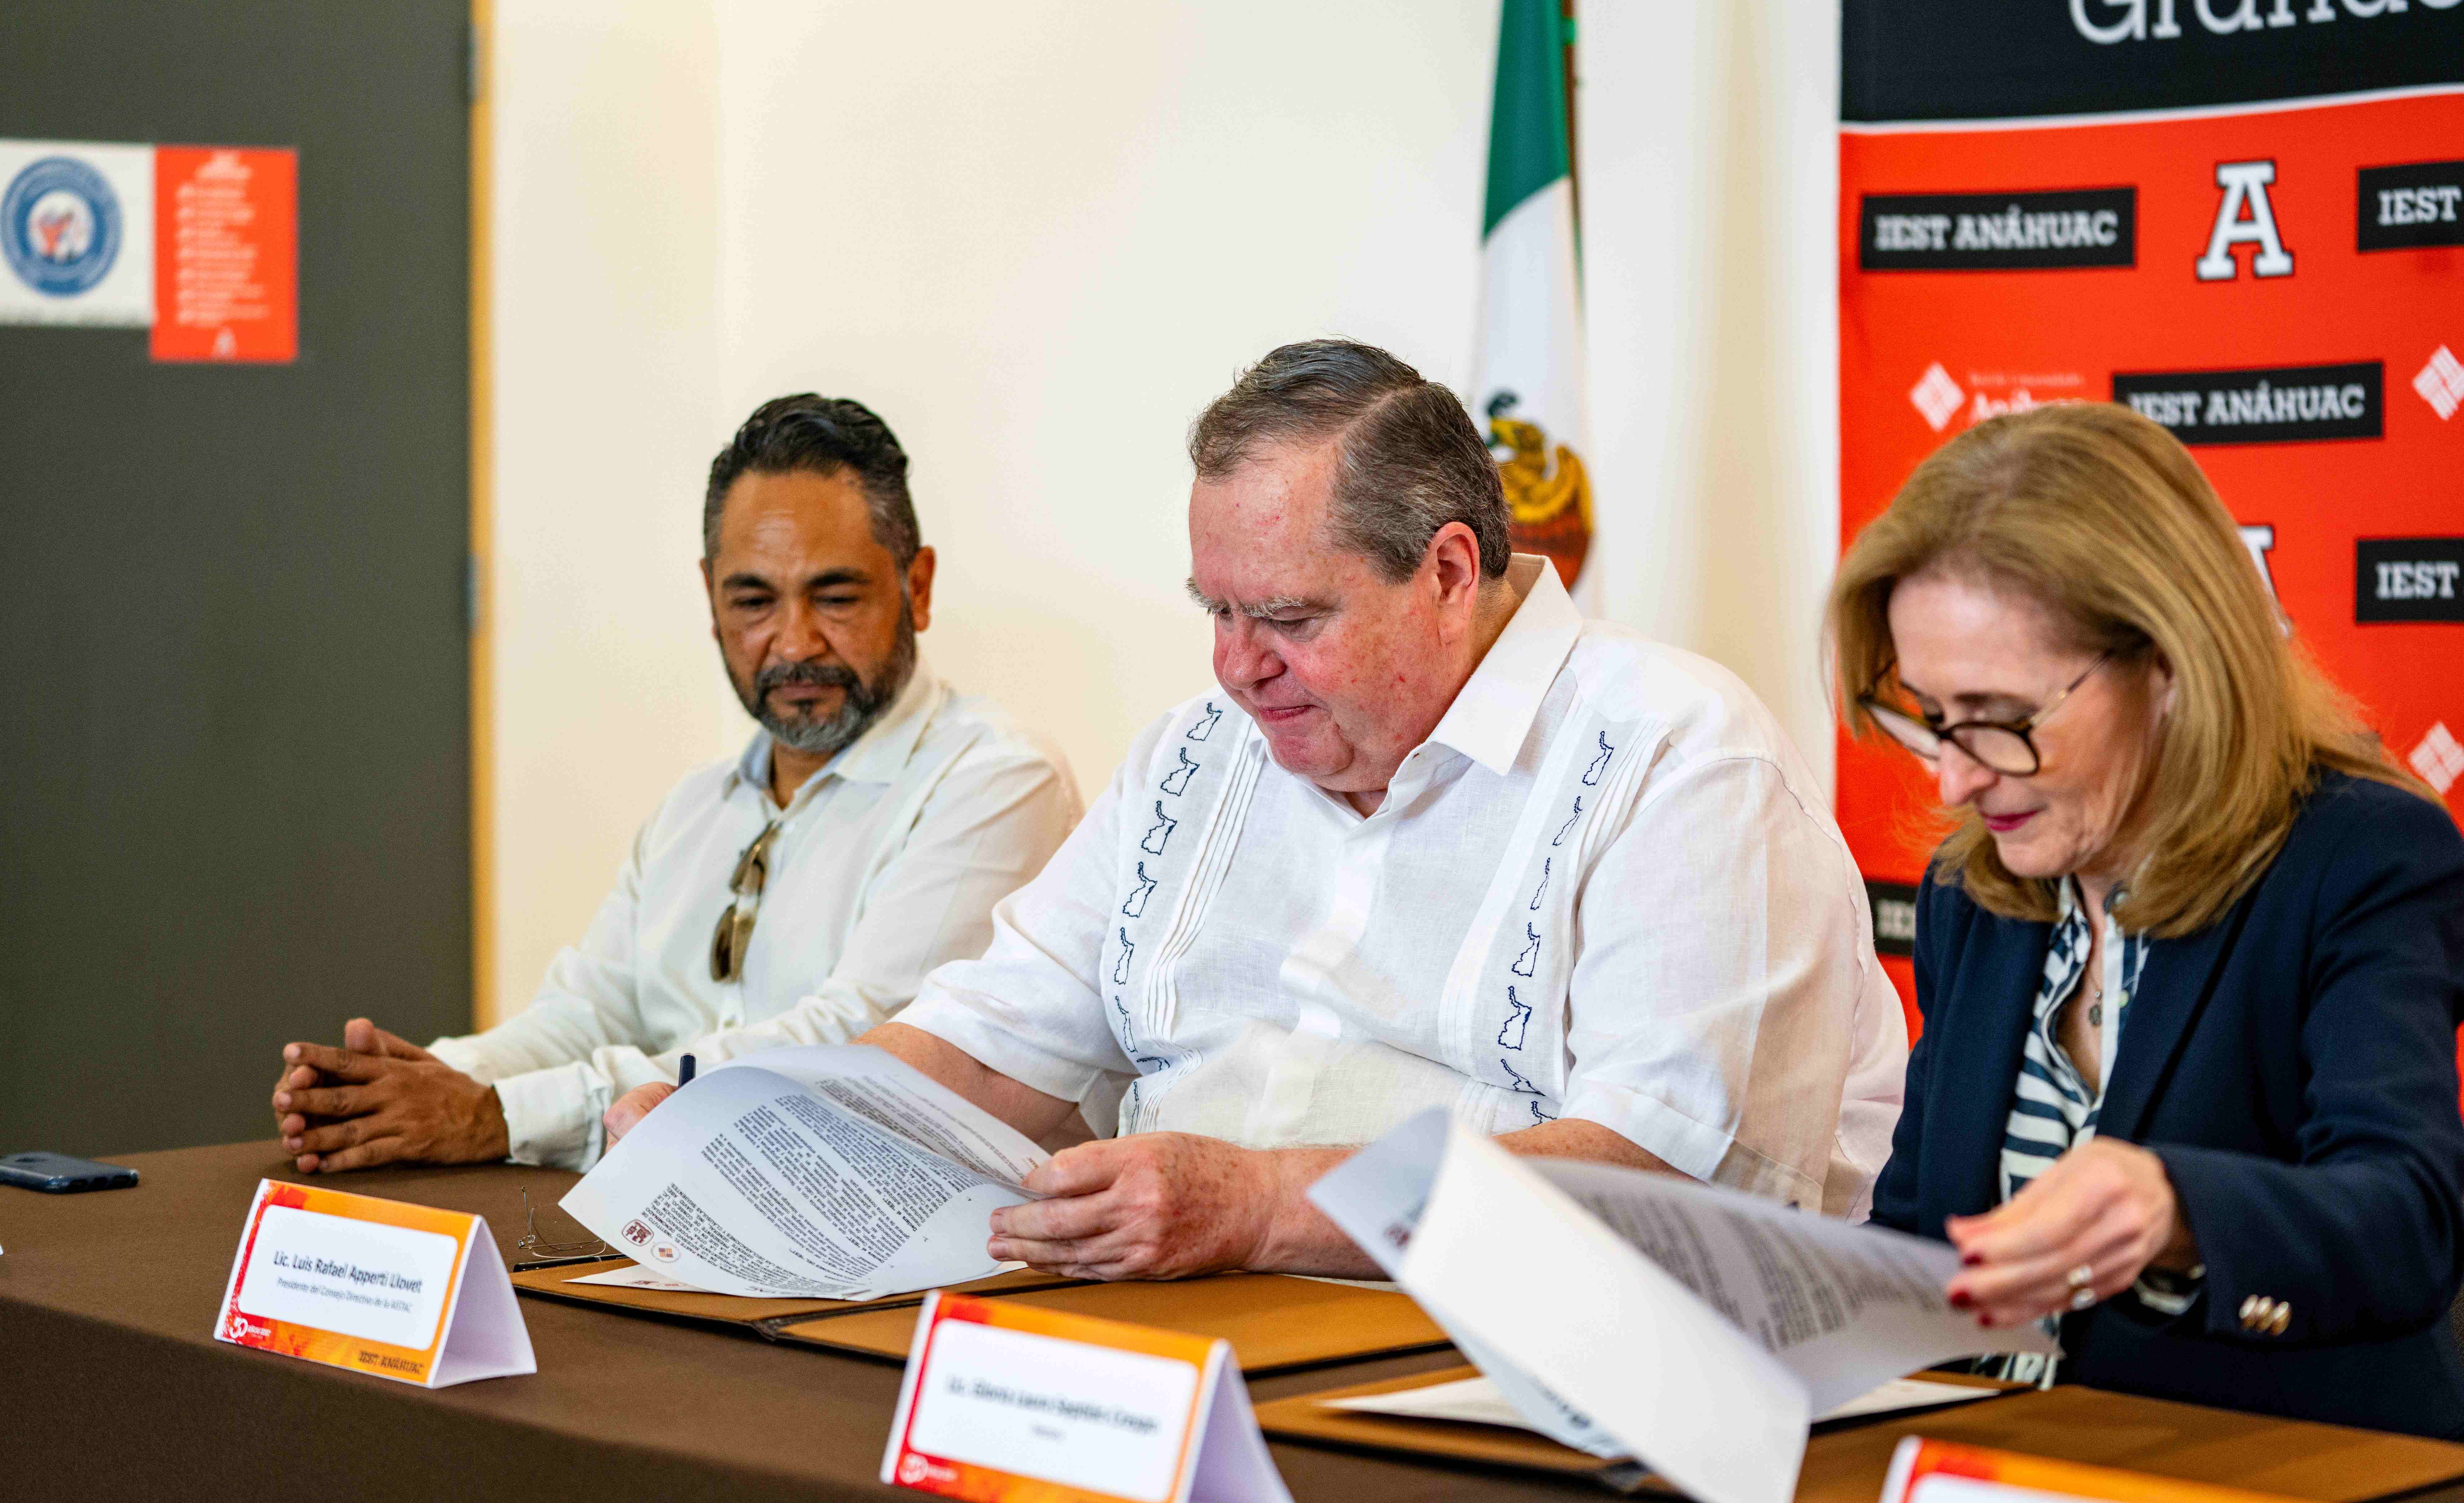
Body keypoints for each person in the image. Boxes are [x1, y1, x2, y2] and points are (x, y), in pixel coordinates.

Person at [610, 338, 1905, 1277]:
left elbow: (1658, 1180)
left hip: (1543, 1392)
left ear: (1449, 571)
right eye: (1215, 612)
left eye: (1288, 618)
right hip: (1191, 1349)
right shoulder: (1197, 752)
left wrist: (1263, 1206)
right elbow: (983, 1045)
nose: (1236, 667)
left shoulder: (1677, 760)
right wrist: (744, 1120)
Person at [1836, 402, 2464, 1437]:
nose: (1953, 777)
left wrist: (2179, 1210)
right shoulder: (1974, 892)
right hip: (1989, 1483)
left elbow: (2410, 1221)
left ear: (2170, 667)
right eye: (1935, 719)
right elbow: (1920, 1236)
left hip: (2286, 1498)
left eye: (2001, 720)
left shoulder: (2361, 861)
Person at [270, 395, 1080, 1174]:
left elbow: (856, 1044)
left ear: (919, 587)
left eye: (835, 596)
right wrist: (413, 1083)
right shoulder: (694, 811)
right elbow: (587, 1012)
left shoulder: (999, 780)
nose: (794, 643)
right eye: (753, 600)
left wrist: (499, 1116)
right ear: (710, 598)